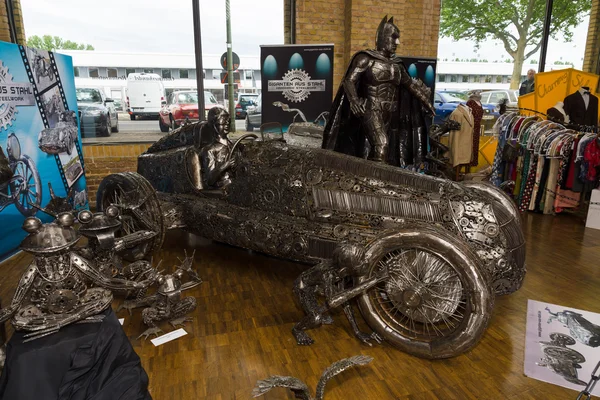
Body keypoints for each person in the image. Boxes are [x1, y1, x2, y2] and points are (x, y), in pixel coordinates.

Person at [322, 15, 435, 167]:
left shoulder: (398, 65)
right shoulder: (365, 58)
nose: (397, 42)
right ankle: (374, 183)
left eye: (398, 38)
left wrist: (427, 103)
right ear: (383, 37)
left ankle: (367, 177)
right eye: (394, 37)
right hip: (372, 108)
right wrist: (354, 100)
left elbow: (411, 86)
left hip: (391, 113)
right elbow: (349, 80)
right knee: (382, 145)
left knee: (381, 151)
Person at [200, 106, 236, 189]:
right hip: (224, 187)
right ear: (214, 124)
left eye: (228, 120)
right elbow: (210, 179)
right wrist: (225, 165)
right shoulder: (209, 150)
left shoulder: (234, 145)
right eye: (223, 120)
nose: (227, 123)